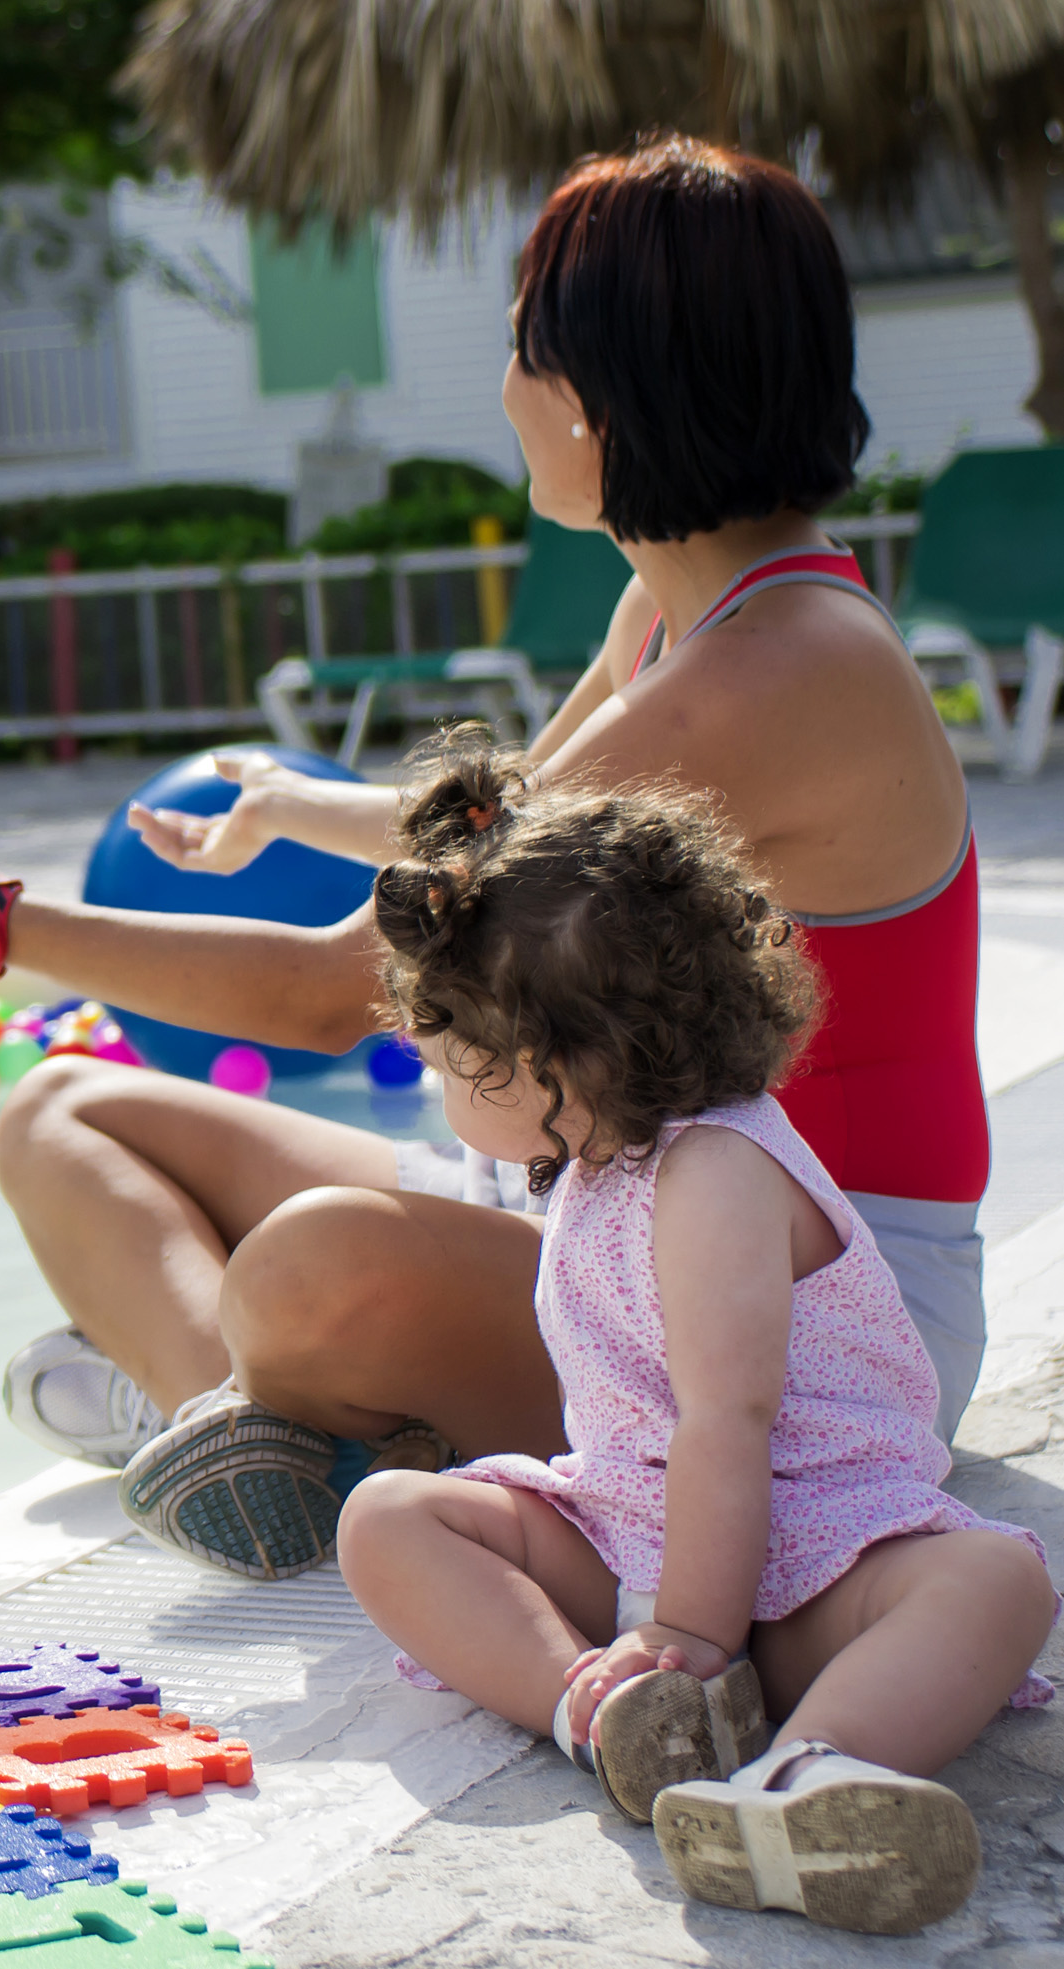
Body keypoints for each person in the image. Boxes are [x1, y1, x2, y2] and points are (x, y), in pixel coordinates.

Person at [0, 135, 988, 1581]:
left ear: (605, 391)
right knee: (59, 1110)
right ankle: (244, 1428)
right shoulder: (672, 612)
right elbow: (494, 826)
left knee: (303, 1272)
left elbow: (336, 993)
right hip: (599, 1215)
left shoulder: (780, 668)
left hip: (801, 1318)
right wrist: (283, 804)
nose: (503, 389)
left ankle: (243, 1407)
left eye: (525, 348)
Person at [335, 737, 1051, 1937]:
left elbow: (729, 1420)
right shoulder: (595, 1154)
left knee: (995, 1580)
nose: (440, 1090)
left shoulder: (714, 1171)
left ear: (551, 1068)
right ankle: (605, 1715)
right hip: (632, 1530)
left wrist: (692, 1631)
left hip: (817, 1550)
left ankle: (814, 1772)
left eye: (454, 1064)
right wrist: (655, 1628)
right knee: (391, 1518)